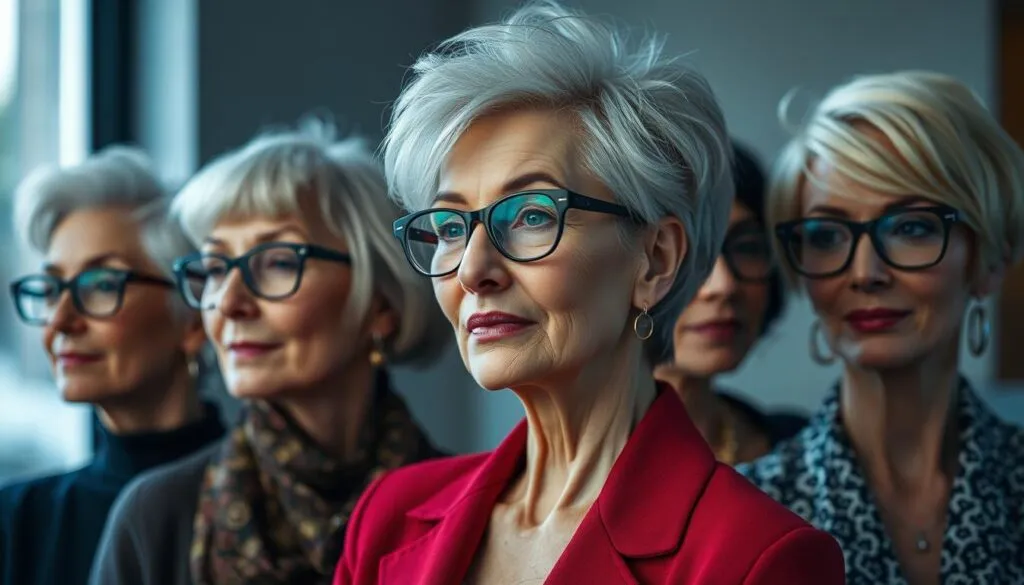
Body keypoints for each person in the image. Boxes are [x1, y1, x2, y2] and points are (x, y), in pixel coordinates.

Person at [333, 3, 844, 584]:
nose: (474, 269)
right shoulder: (387, 518)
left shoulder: (758, 557)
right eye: (451, 226)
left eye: (529, 214)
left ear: (655, 260)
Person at [89, 123, 448, 585]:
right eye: (216, 268)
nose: (230, 302)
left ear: (380, 303)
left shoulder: (466, 505)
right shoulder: (154, 517)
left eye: (279, 262)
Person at [737, 70, 1024, 585]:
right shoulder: (746, 510)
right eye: (826, 235)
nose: (865, 273)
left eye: (911, 227)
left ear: (989, 259)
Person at [0, 147, 225, 585]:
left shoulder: (271, 504)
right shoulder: (16, 522)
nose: (61, 321)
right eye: (50, 289)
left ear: (194, 318)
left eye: (102, 284)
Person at [655, 144, 807, 465]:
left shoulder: (802, 454)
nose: (723, 285)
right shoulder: (551, 487)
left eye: (748, 246)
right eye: (685, 253)